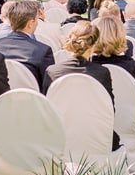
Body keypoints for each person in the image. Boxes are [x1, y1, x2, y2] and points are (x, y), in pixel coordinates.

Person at [45, 21, 122, 150]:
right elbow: (109, 110)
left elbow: (47, 109)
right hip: (94, 137)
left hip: (60, 137)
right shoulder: (101, 73)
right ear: (95, 44)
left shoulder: (52, 71)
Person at [0, 0, 56, 87]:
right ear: (30, 23)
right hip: (32, 98)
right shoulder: (43, 51)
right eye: (36, 21)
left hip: (0, 98)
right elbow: (48, 86)